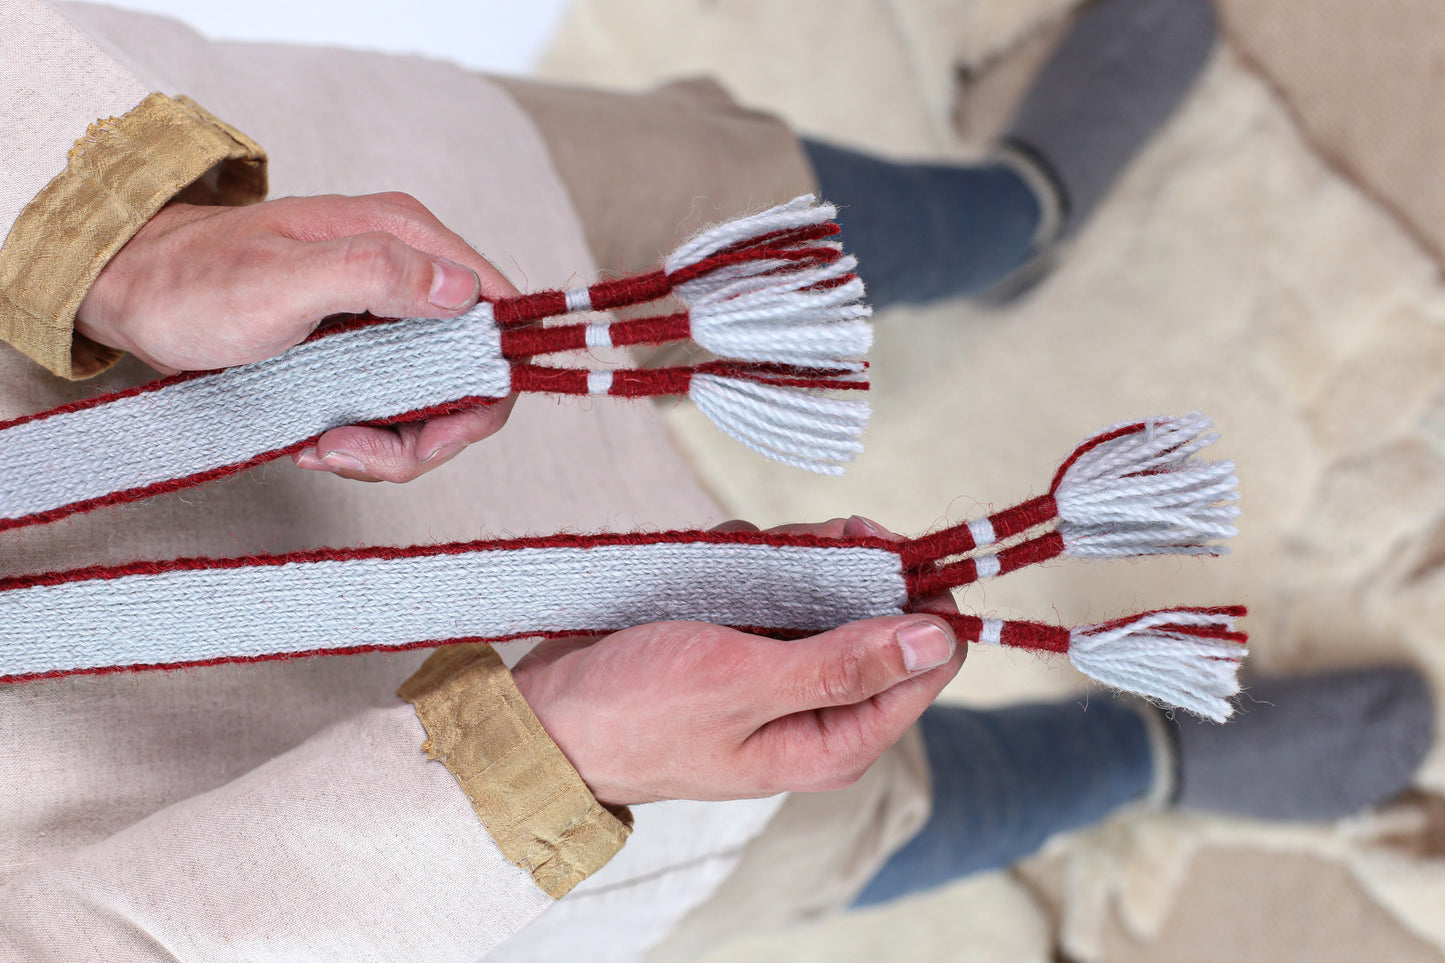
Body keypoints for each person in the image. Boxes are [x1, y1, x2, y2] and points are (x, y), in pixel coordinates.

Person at [0, 0, 1431, 960]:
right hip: (284, 821)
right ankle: (1140, 761)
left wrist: (115, 241)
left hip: (300, 275)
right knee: (829, 785)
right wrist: (537, 770)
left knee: (741, 218)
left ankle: (1013, 218)